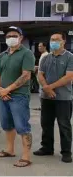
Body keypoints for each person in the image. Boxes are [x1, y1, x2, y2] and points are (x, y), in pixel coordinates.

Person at [0, 26, 35, 167]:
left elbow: (26, 76)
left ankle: (26, 157)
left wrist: (7, 90)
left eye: (14, 35)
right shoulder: (2, 55)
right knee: (7, 125)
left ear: (21, 37)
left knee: (22, 126)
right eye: (8, 35)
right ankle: (9, 150)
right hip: (2, 95)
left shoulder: (26, 53)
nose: (11, 37)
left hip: (19, 96)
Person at [35, 32, 73, 163]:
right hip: (46, 97)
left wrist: (50, 87)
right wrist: (46, 87)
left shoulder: (70, 57)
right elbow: (40, 74)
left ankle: (66, 152)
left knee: (64, 125)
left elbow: (69, 77)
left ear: (64, 42)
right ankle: (47, 148)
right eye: (52, 39)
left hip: (63, 98)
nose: (54, 42)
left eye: (57, 39)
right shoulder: (46, 57)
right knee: (46, 123)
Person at [34, 42, 49, 111]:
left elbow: (46, 68)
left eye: (40, 46)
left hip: (43, 79)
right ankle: (42, 106)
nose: (39, 48)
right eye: (38, 46)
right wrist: (37, 67)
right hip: (40, 78)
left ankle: (44, 107)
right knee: (41, 93)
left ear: (45, 47)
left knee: (43, 93)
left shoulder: (46, 55)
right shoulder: (43, 55)